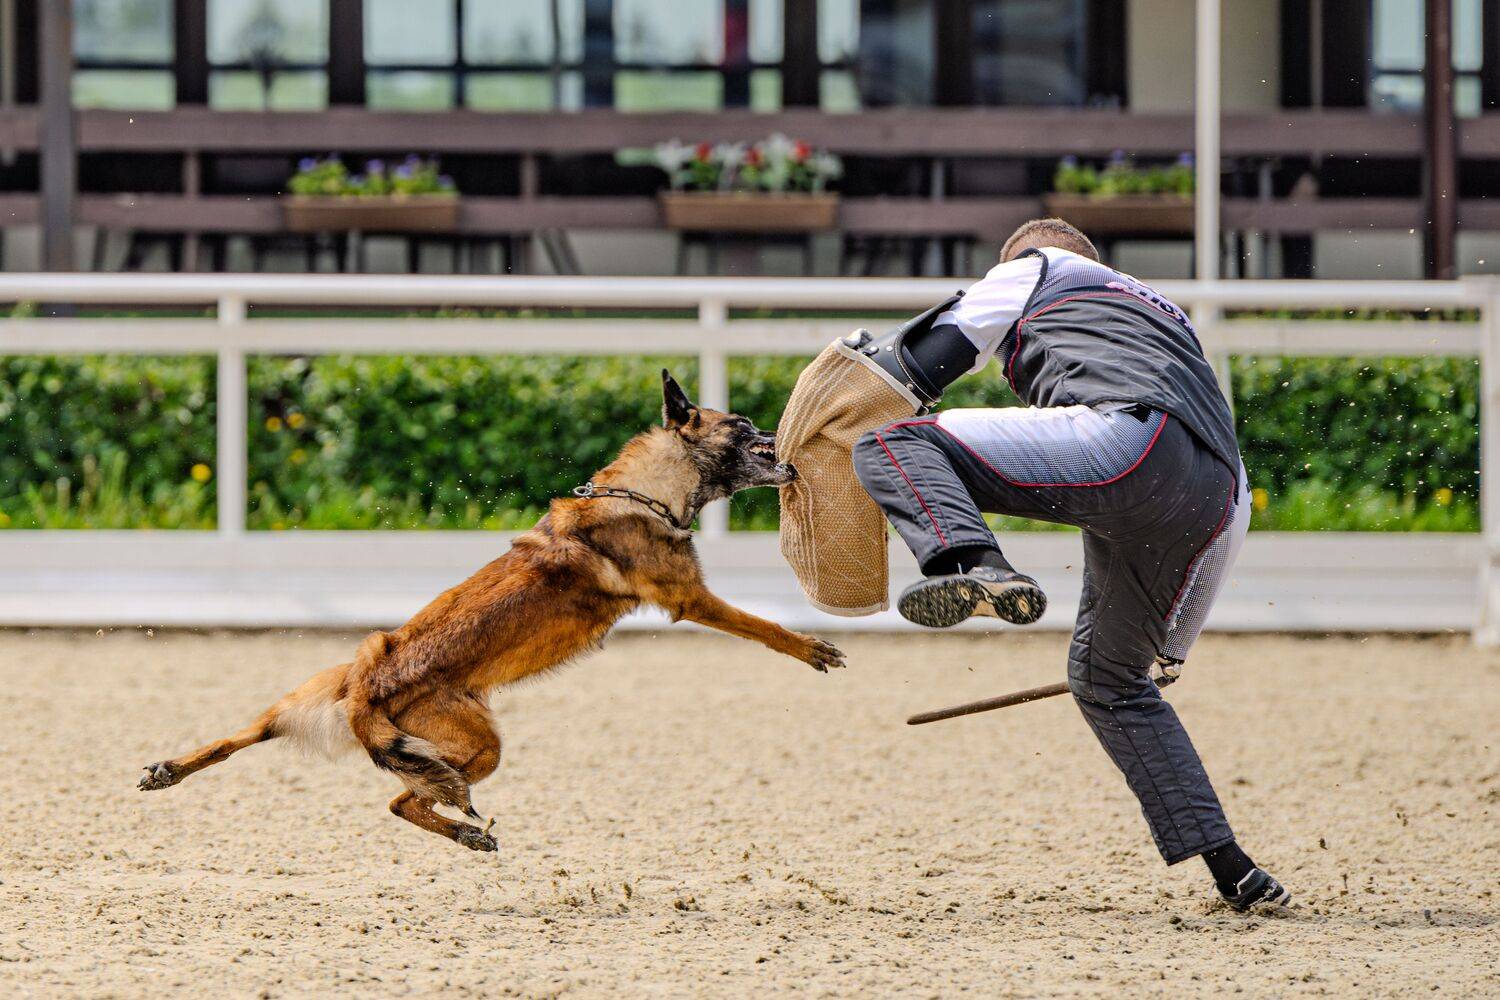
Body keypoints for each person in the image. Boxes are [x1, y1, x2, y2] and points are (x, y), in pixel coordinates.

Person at [848, 218, 1290, 911]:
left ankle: (981, 567)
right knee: (1110, 680)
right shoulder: (1168, 321)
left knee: (890, 445)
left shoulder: (1036, 266)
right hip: (1208, 496)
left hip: (1123, 444)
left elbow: (921, 363)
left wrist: (848, 386)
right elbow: (1233, 506)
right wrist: (1172, 647)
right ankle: (1236, 873)